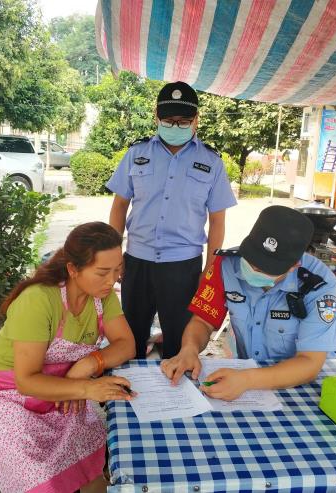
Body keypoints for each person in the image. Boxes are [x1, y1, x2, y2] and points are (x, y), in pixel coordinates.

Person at [0, 222, 136, 493]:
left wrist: (88, 365)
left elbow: (126, 344)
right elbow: (26, 381)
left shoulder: (101, 296)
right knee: (39, 473)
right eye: (103, 272)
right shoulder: (38, 300)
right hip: (7, 397)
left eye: (118, 270)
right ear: (73, 269)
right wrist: (87, 388)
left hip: (62, 390)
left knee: (89, 458)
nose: (112, 280)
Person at [106, 81, 237, 360]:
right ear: (157, 117)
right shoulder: (137, 154)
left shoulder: (211, 161)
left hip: (182, 266)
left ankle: (176, 398)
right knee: (130, 337)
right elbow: (119, 207)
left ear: (196, 121)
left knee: (179, 341)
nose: (175, 126)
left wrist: (210, 269)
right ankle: (130, 395)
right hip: (136, 262)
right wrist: (113, 256)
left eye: (184, 121)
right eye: (168, 120)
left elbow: (217, 221)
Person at [161, 206, 336, 401]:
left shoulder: (318, 284)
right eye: (251, 258)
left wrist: (247, 380)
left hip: (304, 386)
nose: (253, 269)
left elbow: (310, 363)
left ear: (295, 265)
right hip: (246, 383)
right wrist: (189, 349)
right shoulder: (226, 263)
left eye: (266, 268)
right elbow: (203, 320)